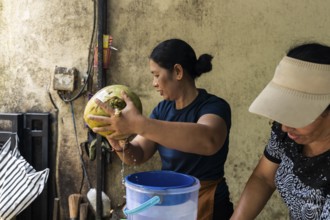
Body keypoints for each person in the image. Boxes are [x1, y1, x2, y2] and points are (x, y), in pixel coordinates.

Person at [88, 38, 233, 220]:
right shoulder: (163, 110)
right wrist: (117, 142)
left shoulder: (214, 106)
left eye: (156, 75)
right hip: (171, 202)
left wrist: (139, 124)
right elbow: (138, 154)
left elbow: (208, 139)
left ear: (178, 72)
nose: (154, 83)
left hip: (206, 203)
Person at [231, 43, 330, 220]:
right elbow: (264, 178)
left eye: (296, 115)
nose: (284, 127)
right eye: (283, 112)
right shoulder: (288, 132)